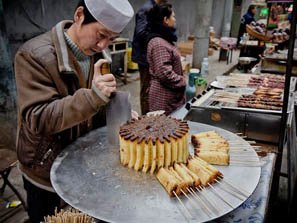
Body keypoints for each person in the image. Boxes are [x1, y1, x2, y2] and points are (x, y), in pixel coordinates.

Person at [14, 0, 134, 222]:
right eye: (100, 35)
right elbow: (38, 118)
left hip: (82, 164)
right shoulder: (34, 55)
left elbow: (96, 106)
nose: (102, 45)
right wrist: (93, 97)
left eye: (111, 39)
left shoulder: (98, 57)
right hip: (44, 168)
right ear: (79, 15)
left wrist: (120, 114)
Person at [146, 3, 186, 115]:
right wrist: (182, 81)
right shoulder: (159, 43)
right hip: (163, 98)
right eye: (173, 16)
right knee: (163, 129)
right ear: (165, 20)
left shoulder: (164, 39)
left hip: (171, 96)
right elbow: (164, 73)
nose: (175, 19)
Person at [132, 0, 167, 115]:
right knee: (146, 89)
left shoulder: (155, 7)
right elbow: (141, 32)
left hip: (149, 55)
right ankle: (145, 117)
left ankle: (150, 115)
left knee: (151, 88)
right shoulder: (146, 9)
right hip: (144, 57)